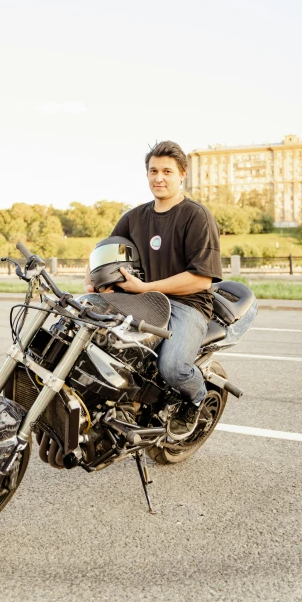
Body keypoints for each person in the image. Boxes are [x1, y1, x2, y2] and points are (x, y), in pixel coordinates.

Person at [85, 140, 223, 438]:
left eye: (167, 171)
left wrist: (145, 287)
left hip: (187, 305)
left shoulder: (196, 216)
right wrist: (91, 282)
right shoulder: (134, 216)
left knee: (173, 368)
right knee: (91, 335)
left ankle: (196, 399)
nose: (159, 177)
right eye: (153, 171)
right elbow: (104, 250)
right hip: (143, 300)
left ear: (182, 174)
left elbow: (201, 280)